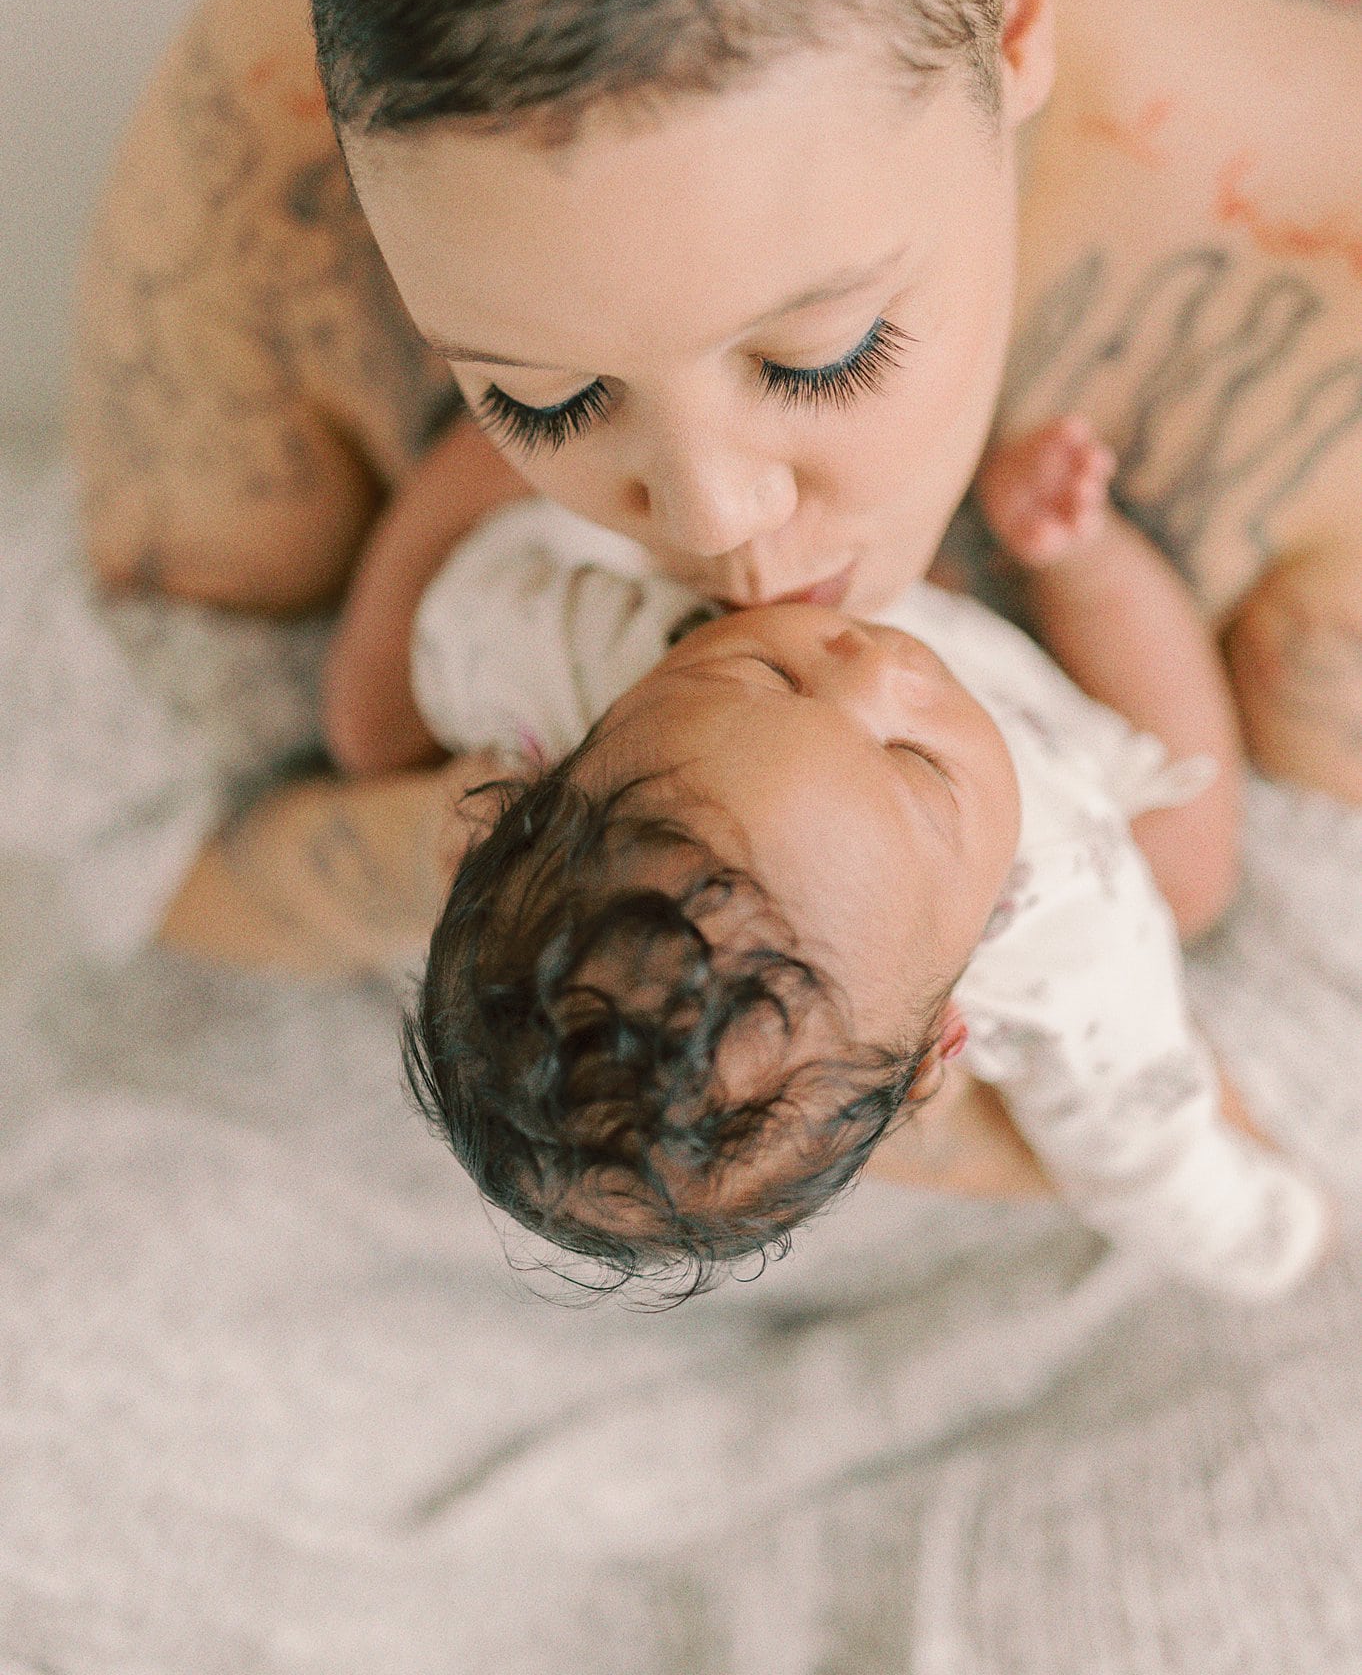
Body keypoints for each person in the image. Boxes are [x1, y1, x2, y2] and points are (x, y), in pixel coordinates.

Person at [69, 0, 1362, 1199]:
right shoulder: (275, 136)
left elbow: (1289, 1104)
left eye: (820, 358)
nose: (713, 526)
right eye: (535, 399)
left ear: (1015, 29)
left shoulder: (1321, 264)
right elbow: (120, 847)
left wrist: (847, 1089)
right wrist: (517, 917)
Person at [331, 411, 1328, 1299]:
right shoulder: (1071, 919)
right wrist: (1278, 1235)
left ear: (553, 767)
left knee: (377, 725)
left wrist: (544, 457)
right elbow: (1143, 1151)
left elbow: (469, 593)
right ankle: (1081, 552)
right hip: (1069, 758)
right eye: (914, 764)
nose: (878, 662)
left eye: (767, 673)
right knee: (1193, 866)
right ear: (949, 1033)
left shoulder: (574, 645)